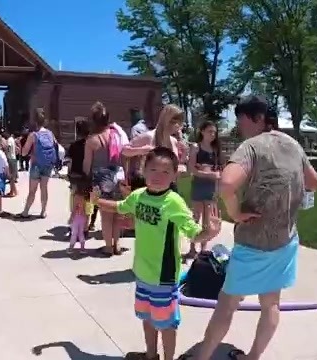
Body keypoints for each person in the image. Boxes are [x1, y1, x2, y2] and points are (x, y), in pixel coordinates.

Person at [194, 96, 317, 360]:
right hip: (285, 239)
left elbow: (227, 184)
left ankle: (201, 357)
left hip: (253, 241)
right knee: (271, 304)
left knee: (228, 304)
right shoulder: (293, 144)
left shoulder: (251, 146)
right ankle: (252, 357)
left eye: (241, 119)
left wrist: (236, 213)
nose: (239, 127)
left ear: (258, 118)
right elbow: (315, 182)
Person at [93, 147, 222, 360]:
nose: (158, 176)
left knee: (166, 324)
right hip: (142, 272)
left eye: (165, 172)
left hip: (163, 277)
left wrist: (209, 232)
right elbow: (119, 206)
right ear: (144, 170)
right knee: (147, 317)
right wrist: (97, 201)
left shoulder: (173, 202)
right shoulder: (139, 196)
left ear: (174, 175)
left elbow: (192, 233)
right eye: (153, 170)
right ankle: (151, 355)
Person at [82, 102, 133, 256]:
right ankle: (117, 244)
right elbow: (125, 157)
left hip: (101, 179)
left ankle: (108, 247)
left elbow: (87, 164)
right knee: (117, 211)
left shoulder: (92, 140)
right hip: (118, 175)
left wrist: (86, 180)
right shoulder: (117, 135)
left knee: (105, 214)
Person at [125, 104, 185, 192]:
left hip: (167, 186)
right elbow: (125, 151)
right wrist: (141, 150)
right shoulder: (149, 136)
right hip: (147, 186)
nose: (177, 126)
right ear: (165, 120)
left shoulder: (174, 141)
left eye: (179, 122)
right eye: (173, 122)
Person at [185, 121, 221, 258]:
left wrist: (217, 184)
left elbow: (218, 171)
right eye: (209, 131)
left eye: (214, 132)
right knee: (195, 218)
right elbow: (191, 169)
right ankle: (192, 247)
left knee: (208, 220)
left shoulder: (215, 149)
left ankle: (203, 249)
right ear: (202, 131)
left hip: (211, 187)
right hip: (199, 185)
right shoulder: (196, 147)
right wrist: (209, 174)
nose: (212, 135)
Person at [17, 108, 59, 219]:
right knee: (44, 188)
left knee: (32, 191)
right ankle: (43, 211)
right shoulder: (50, 134)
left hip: (36, 165)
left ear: (35, 122)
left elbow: (24, 153)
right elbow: (56, 146)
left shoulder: (33, 135)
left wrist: (21, 149)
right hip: (48, 164)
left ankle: (25, 212)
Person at [68, 179, 92, 255]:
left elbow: (75, 209)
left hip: (76, 217)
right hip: (83, 217)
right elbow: (86, 210)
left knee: (74, 233)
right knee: (81, 233)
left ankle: (71, 248)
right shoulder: (86, 197)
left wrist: (71, 218)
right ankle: (82, 248)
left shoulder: (77, 196)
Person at [5, 131, 19, 197]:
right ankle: (14, 191)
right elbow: (17, 149)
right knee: (12, 176)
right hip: (13, 158)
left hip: (10, 158)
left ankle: (12, 192)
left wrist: (5, 153)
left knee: (11, 177)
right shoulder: (12, 139)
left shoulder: (9, 140)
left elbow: (9, 147)